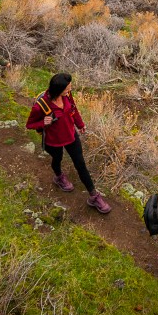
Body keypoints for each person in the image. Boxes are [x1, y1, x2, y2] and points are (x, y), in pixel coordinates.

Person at [26, 72, 111, 214]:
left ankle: (94, 196)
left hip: (71, 136)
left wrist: (80, 124)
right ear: (58, 89)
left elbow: (73, 109)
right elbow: (29, 124)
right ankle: (59, 177)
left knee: (80, 164)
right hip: (53, 141)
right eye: (67, 88)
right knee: (57, 159)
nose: (69, 90)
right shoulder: (41, 105)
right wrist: (43, 122)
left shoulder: (67, 96)